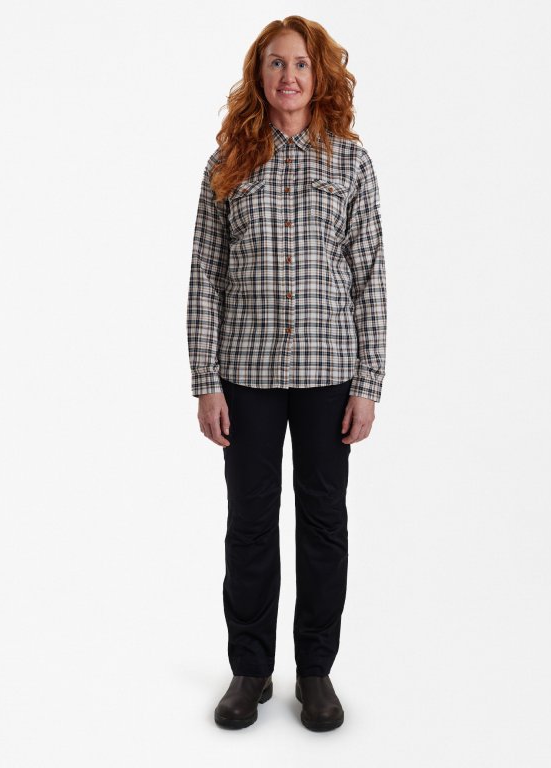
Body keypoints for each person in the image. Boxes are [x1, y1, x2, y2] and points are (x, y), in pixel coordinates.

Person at [186, 16, 386, 732]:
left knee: (323, 523)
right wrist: (205, 380)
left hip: (329, 372)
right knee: (249, 523)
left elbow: (370, 277)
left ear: (319, 74)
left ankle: (316, 671)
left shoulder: (351, 163)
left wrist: (368, 383)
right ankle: (250, 669)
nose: (289, 76)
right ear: (259, 75)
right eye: (276, 63)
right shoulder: (228, 162)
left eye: (301, 64)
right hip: (246, 374)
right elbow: (204, 277)